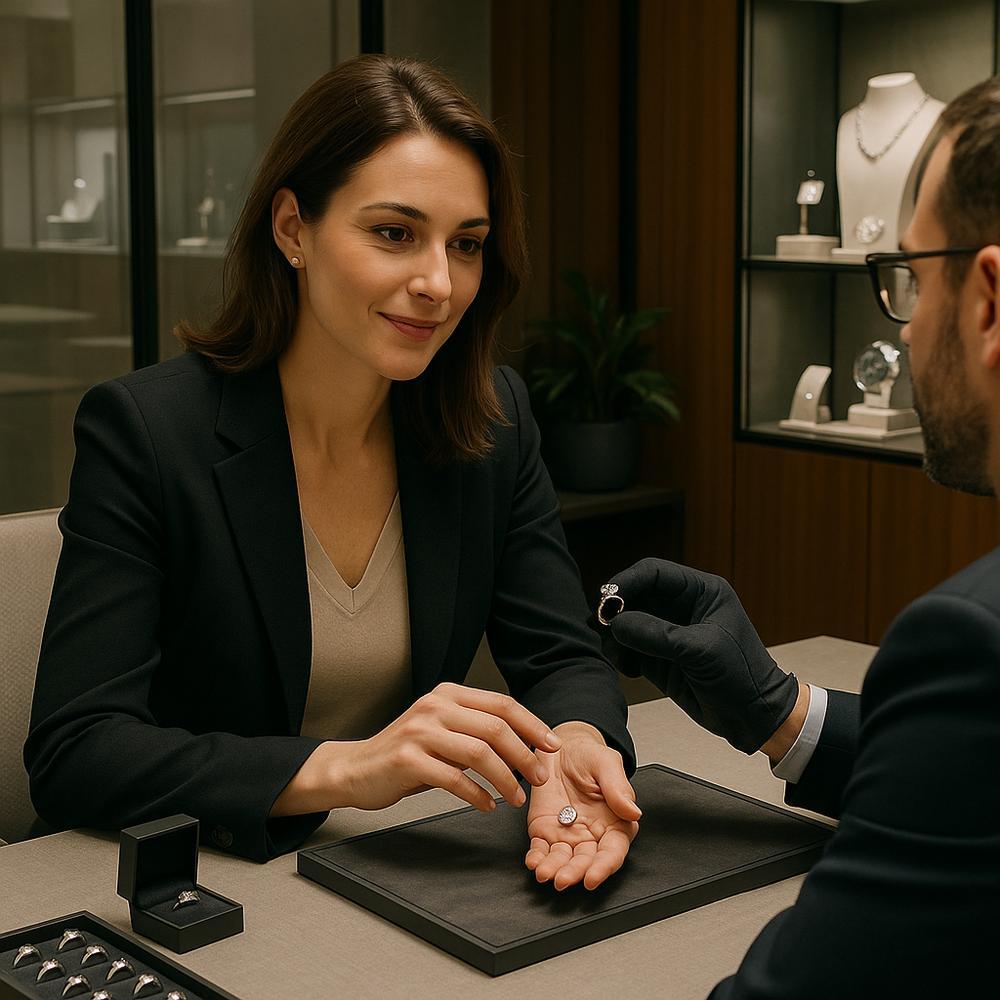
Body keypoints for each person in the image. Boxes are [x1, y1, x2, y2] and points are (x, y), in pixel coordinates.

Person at [24, 55, 640, 886]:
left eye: (467, 245)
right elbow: (78, 750)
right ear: (292, 230)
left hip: (391, 873)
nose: (438, 282)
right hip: (193, 878)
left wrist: (576, 745)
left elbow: (563, 654)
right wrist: (348, 769)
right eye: (394, 233)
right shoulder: (145, 432)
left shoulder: (494, 418)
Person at [602, 76, 1000, 995]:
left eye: (913, 278)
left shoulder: (972, 647)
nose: (902, 330)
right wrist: (781, 712)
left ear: (985, 300)